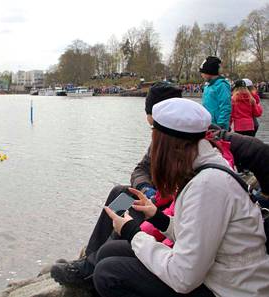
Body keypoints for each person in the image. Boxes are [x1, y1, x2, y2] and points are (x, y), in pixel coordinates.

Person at [50, 83, 269, 293]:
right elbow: (140, 170)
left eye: (153, 127)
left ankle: (92, 269)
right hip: (161, 205)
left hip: (220, 280)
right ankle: (88, 262)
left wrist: (266, 196)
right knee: (121, 194)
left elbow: (184, 276)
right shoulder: (191, 144)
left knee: (112, 265)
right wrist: (146, 189)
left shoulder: (209, 172)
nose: (152, 135)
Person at [200, 56, 231, 130]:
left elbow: (226, 106)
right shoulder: (208, 86)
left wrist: (221, 125)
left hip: (218, 126)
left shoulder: (222, 85)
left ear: (209, 72)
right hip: (209, 124)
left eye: (203, 73)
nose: (202, 75)